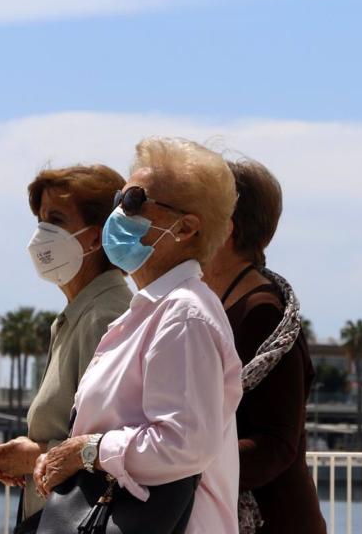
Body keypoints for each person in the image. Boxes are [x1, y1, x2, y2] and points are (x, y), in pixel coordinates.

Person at [32, 137, 244, 533]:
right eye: (119, 198)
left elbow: (183, 444)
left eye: (132, 201)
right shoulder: (156, 310)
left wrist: (88, 451)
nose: (117, 212)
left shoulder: (183, 315)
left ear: (185, 228)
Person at [0, 165, 132, 527]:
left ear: (96, 238)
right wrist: (28, 460)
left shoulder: (104, 318)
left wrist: (33, 456)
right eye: (39, 219)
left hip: (76, 520)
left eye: (56, 218)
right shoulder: (77, 315)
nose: (41, 233)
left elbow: (118, 445)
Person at [203, 157, 325, 533]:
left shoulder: (263, 311)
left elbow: (276, 443)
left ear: (226, 228)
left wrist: (182, 467)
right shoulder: (228, 303)